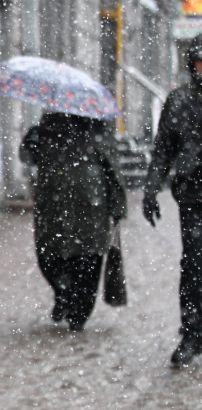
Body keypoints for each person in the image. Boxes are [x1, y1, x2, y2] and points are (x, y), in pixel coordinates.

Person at [20, 112, 127, 331]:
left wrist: (117, 206)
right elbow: (27, 156)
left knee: (87, 263)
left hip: (89, 208)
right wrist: (32, 140)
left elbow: (112, 169)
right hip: (54, 207)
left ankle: (78, 312)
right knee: (50, 258)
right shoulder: (47, 128)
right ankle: (65, 296)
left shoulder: (97, 130)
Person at [143, 33, 202, 368]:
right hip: (193, 195)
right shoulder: (179, 101)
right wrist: (151, 188)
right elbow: (163, 148)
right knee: (194, 265)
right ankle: (192, 332)